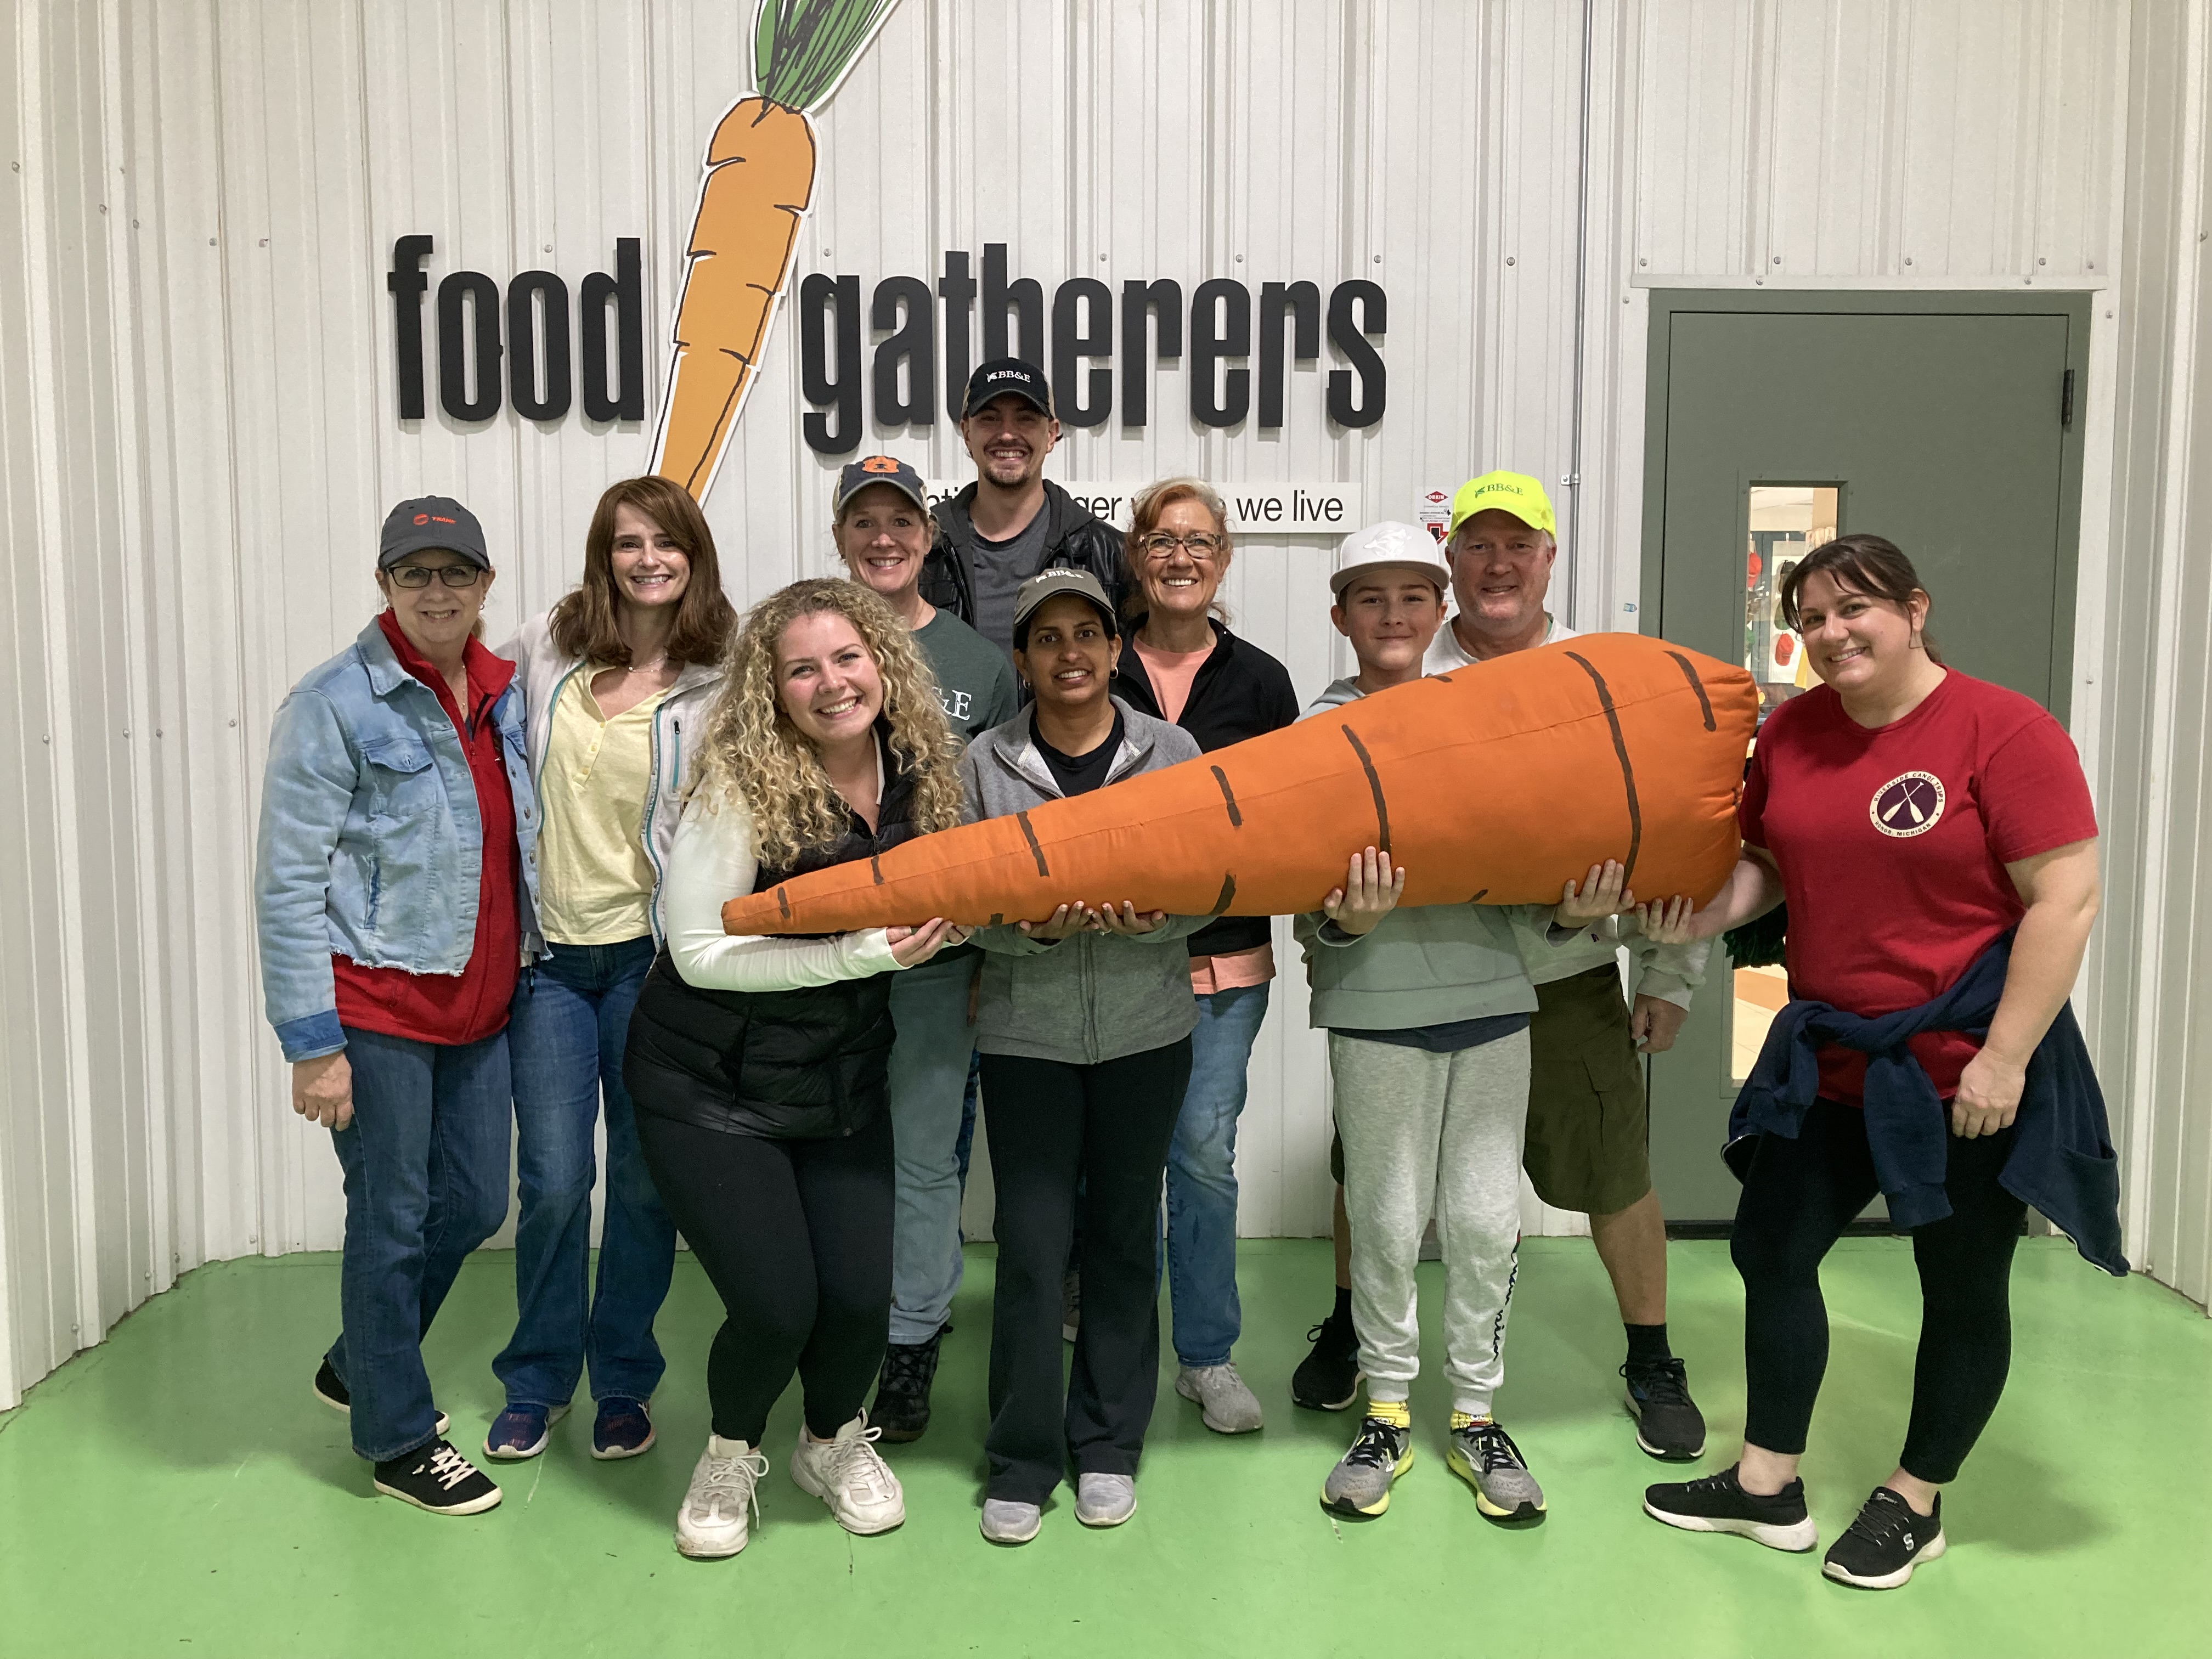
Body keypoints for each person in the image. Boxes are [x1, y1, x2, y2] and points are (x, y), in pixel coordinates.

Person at [1639, 535, 2109, 1590]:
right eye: (1809, 617)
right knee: (1770, 1245)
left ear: (1913, 608)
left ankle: (1915, 1496)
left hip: (1962, 1065)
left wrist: (2004, 1058)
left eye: (1853, 608)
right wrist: (1688, 916)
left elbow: (2064, 897)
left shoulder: (2004, 730)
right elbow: (1766, 861)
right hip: (1834, 1050)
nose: (1829, 633)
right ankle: (1768, 1480)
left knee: (1958, 1281)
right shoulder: (1795, 732)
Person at [1297, 471, 1716, 1461]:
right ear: (1452, 570)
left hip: (1564, 973)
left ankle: (1650, 1353)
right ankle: (1356, 1331)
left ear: (1548, 556)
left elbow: (1670, 826)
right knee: (1371, 1173)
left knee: (1611, 1166)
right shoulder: (1410, 677)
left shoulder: (1601, 682)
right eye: (1477, 546)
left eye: (1515, 544)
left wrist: (1668, 974)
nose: (1497, 564)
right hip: (1427, 973)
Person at [622, 578, 971, 1561]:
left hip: (841, 1077)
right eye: (801, 667)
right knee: (778, 1305)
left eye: (847, 657)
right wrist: (870, 954)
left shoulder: (917, 766)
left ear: (883, 662)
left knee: (862, 1300)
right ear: (770, 687)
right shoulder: (741, 782)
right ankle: (730, 1449)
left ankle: (828, 1440)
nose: (830, 683)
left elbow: (935, 898)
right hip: (709, 1083)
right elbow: (698, 951)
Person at [1297, 523, 1613, 1524]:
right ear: (1340, 614)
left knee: (1482, 1222)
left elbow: (1522, 868)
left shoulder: (1484, 716)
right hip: (1377, 1011)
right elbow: (1300, 878)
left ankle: (1476, 1411)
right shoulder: (1320, 729)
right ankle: (1387, 1410)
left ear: (1441, 612)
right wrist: (1338, 924)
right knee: (1387, 1221)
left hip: (1489, 1002)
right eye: (1369, 598)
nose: (1392, 616)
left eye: (1411, 598)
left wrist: (1569, 913)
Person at [255, 495, 538, 1515]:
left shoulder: (500, 693)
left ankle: (356, 1363)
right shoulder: (336, 702)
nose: (436, 591)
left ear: (483, 585)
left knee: (469, 1205)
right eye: (414, 573)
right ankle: (394, 1435)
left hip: (481, 1008)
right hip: (375, 1008)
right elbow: (287, 881)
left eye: (454, 572)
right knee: (392, 1218)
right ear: (383, 584)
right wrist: (311, 1042)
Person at [487, 477, 737, 1463]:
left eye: (666, 542)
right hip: (550, 959)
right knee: (551, 1179)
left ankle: (623, 1378)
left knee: (641, 1183)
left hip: (649, 961)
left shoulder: (715, 676)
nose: (647, 558)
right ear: (605, 553)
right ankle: (539, 1376)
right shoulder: (544, 646)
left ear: (692, 555)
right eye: (628, 541)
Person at [962, 569, 1206, 1545]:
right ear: (1021, 659)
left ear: (1116, 650)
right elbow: (966, 904)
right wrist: (1033, 934)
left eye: (1087, 634)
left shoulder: (1172, 750)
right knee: (1027, 1248)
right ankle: (1021, 1455)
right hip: (1026, 1037)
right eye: (1048, 638)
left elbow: (1210, 878)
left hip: (1149, 1033)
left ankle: (1107, 1443)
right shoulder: (984, 762)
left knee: (1118, 1241)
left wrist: (1159, 921)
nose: (1070, 653)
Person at [829, 454, 1017, 1441]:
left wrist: (984, 949)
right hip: (820, 958)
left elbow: (994, 822)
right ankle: (836, 1325)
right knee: (827, 1148)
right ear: (839, 537)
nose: (884, 537)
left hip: (935, 959)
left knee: (922, 1158)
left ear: (928, 536)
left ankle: (909, 1338)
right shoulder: (807, 639)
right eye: (864, 521)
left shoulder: (980, 665)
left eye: (900, 520)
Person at [1110, 477, 1300, 1434]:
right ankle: (1120, 1343)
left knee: (1200, 1154)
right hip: (1111, 965)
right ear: (1136, 556)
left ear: (1223, 559)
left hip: (1225, 971)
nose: (1179, 555)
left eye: (1199, 540)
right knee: (1120, 1159)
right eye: (1160, 538)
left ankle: (1206, 1354)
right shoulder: (1091, 663)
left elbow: (1285, 826)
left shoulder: (1261, 681)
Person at [917, 359, 1126, 658]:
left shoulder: (1109, 553)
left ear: (1052, 434)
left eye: (1026, 418)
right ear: (966, 432)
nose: (1007, 434)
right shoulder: (925, 549)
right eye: (989, 419)